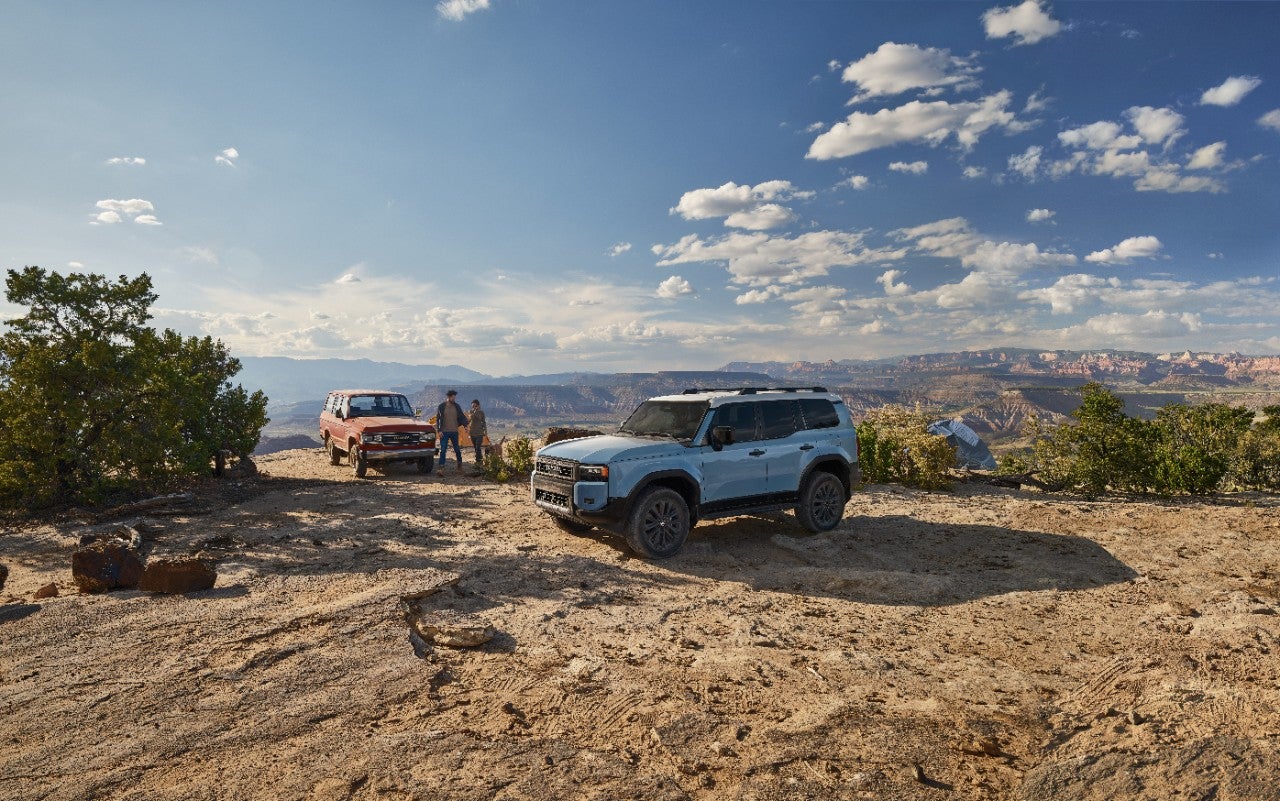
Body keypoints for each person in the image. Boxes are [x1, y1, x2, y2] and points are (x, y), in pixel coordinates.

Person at [436, 390, 469, 471]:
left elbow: (461, 416)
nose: (454, 399)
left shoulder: (457, 406)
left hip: (454, 431)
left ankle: (459, 466)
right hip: (444, 432)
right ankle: (441, 468)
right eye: (453, 397)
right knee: (443, 450)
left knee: (457, 449)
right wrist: (439, 430)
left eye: (455, 397)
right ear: (449, 397)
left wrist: (466, 426)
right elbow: (438, 419)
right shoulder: (441, 406)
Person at [467, 399, 488, 464]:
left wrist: (485, 431)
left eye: (475, 406)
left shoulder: (481, 412)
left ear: (478, 405)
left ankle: (478, 460)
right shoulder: (470, 411)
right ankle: (480, 459)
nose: (473, 407)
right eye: (473, 406)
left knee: (478, 447)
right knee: (475, 447)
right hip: (472, 432)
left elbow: (483, 421)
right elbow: (469, 419)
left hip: (479, 432)